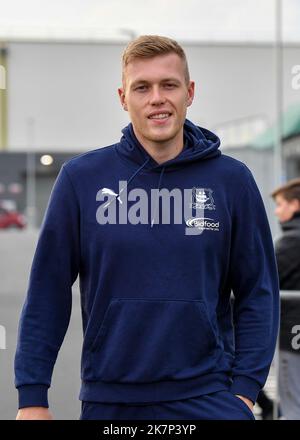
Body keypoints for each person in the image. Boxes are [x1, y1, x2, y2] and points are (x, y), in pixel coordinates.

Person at [15, 35, 279, 420]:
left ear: (189, 92)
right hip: (112, 402)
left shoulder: (232, 181)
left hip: (207, 396)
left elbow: (259, 290)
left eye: (169, 85)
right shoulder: (82, 179)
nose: (156, 97)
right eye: (142, 87)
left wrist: (245, 390)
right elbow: (46, 292)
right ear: (124, 98)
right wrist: (32, 397)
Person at [271, 178, 300, 420]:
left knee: (292, 406)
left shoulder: (292, 242)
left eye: (281, 204)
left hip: (294, 335)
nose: (277, 210)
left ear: (295, 205)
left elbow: (262, 279)